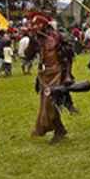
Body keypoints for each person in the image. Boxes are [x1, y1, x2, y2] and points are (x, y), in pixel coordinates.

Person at [25, 12, 77, 143]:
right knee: (46, 104)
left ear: (43, 24)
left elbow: (68, 57)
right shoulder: (37, 39)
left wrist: (67, 76)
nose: (34, 27)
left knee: (51, 103)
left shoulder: (57, 37)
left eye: (36, 24)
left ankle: (59, 131)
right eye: (32, 25)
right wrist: (31, 39)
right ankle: (58, 129)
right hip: (44, 76)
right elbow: (28, 55)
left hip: (57, 74)